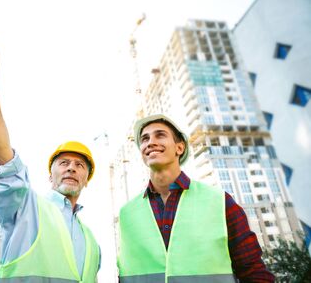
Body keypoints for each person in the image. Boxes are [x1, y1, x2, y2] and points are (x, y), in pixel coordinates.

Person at [0, 20, 100, 282]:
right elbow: (4, 161)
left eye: (80, 165)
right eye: (64, 163)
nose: (72, 167)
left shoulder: (93, 243)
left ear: (86, 180)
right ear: (50, 176)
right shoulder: (26, 208)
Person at [117, 114, 274, 282]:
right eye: (145, 139)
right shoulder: (126, 214)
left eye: (160, 135)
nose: (150, 142)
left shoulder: (219, 201)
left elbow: (253, 272)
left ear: (180, 148)